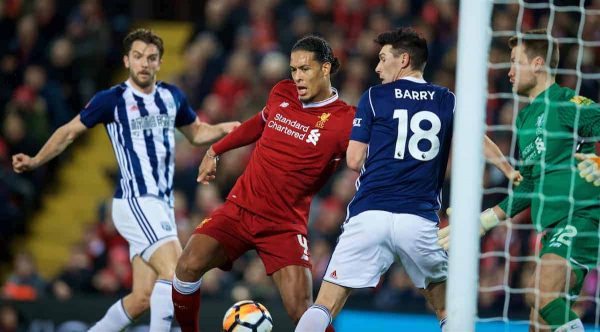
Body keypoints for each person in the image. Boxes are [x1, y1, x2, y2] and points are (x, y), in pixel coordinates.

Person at [12, 28, 239, 332]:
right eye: (138, 57)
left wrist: (225, 128)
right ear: (127, 60)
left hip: (161, 205)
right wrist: (36, 160)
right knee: (175, 276)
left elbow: (196, 132)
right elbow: (68, 132)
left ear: (159, 62)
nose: (144, 63)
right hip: (135, 201)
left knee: (142, 298)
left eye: (151, 58)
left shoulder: (172, 96)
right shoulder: (112, 99)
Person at [171, 35, 354, 332]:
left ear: (325, 68)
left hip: (283, 225)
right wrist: (215, 150)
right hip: (240, 209)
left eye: (304, 69)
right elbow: (259, 123)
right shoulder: (282, 92)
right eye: (293, 70)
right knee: (187, 264)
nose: (297, 77)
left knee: (302, 310)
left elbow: (365, 161)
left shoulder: (346, 120)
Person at [438, 29, 600, 332]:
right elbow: (529, 185)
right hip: (551, 226)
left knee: (540, 291)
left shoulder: (565, 102)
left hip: (580, 217)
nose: (509, 72)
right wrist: (485, 220)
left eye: (515, 62)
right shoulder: (525, 119)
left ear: (537, 64)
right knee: (538, 324)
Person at [295, 27, 455, 332]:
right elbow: (473, 141)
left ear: (404, 59)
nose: (378, 67)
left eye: (383, 59)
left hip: (371, 213)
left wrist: (385, 156)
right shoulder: (446, 99)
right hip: (418, 219)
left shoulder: (375, 96)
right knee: (447, 310)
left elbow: (354, 160)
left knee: (325, 304)